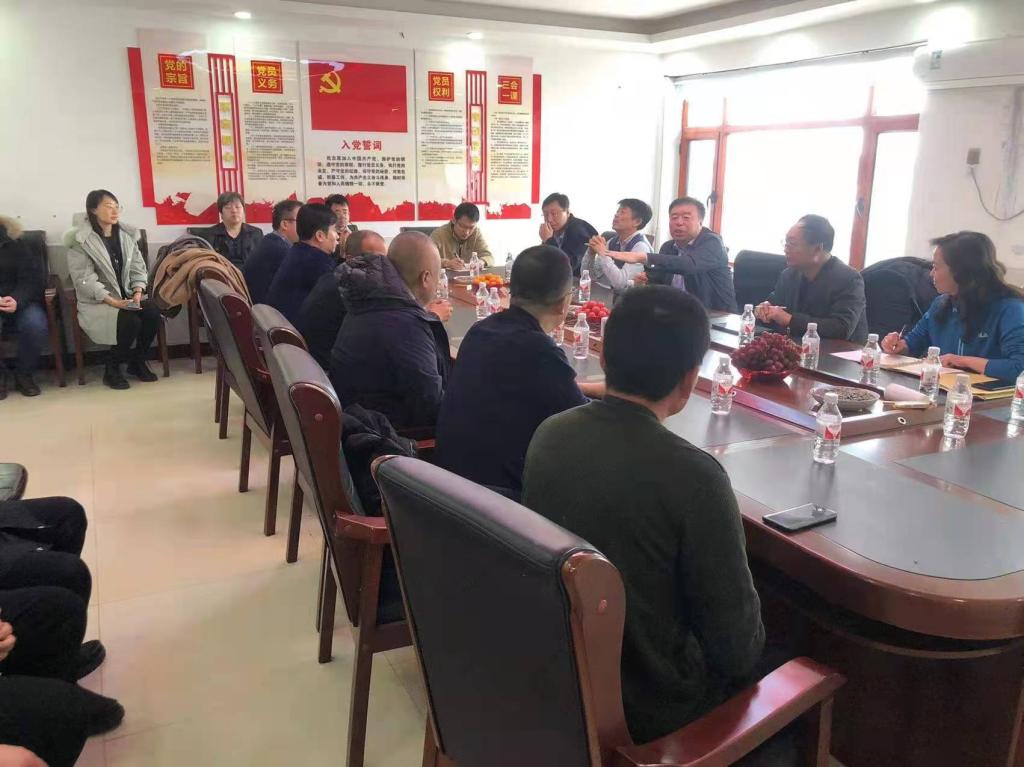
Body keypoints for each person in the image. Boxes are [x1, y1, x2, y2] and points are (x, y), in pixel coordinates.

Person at [522, 286, 765, 747]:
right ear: (690, 380)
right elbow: (737, 653)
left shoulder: (550, 433)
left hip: (559, 675)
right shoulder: (695, 477)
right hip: (652, 710)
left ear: (604, 358)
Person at [435, 245, 604, 498]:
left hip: (449, 489)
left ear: (509, 291)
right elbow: (585, 427)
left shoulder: (481, 331)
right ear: (564, 303)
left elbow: (534, 387)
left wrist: (591, 390)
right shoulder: (540, 351)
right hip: (501, 503)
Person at [330, 232, 452, 433]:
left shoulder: (367, 301)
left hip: (358, 420)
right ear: (426, 278)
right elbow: (432, 406)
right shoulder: (407, 326)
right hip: (391, 437)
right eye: (437, 278)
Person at [882, 231, 1024, 380]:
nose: (931, 274)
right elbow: (913, 344)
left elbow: (1019, 367)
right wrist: (898, 347)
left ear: (961, 272)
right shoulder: (941, 304)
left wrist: (961, 361)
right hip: (943, 389)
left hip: (989, 395)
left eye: (936, 267)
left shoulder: (1010, 308)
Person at [66, 189, 161, 390]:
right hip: (98, 301)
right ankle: (112, 368)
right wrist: (113, 301)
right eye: (109, 207)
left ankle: (137, 361)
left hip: (127, 296)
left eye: (117, 207)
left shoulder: (127, 235)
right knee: (130, 320)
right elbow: (83, 279)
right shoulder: (80, 240)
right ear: (93, 209)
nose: (115, 211)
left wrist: (137, 292)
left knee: (152, 311)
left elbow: (138, 267)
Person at [756, 215, 868, 343]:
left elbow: (841, 328)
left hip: (840, 353)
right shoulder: (789, 275)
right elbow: (774, 304)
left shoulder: (849, 279)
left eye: (792, 243)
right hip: (797, 348)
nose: (786, 249)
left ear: (817, 249)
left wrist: (790, 320)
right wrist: (764, 310)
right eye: (786, 242)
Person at [611, 197, 736, 312]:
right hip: (677, 314)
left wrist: (644, 257)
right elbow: (658, 282)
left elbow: (689, 264)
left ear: (700, 222)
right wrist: (643, 282)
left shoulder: (712, 242)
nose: (679, 222)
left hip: (716, 316)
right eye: (674, 217)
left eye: (686, 217)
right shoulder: (668, 247)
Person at [298, 230, 387, 369]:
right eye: (374, 259)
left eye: (385, 260)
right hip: (327, 371)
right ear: (350, 259)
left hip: (315, 363)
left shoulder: (333, 277)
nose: (383, 267)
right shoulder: (352, 289)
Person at [266, 204, 339, 324]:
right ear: (320, 236)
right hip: (297, 331)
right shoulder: (317, 263)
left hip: (282, 325)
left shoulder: (298, 252)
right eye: (334, 230)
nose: (337, 236)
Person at [0, 217, 45, 398]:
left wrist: (17, 299)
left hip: (20, 301)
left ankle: (24, 374)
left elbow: (33, 278)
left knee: (35, 324)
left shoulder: (18, 245)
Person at [582, 199, 652, 299]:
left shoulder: (641, 247)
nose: (616, 215)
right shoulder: (612, 241)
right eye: (617, 211)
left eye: (622, 212)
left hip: (630, 301)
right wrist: (590, 254)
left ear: (637, 221)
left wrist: (602, 253)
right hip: (608, 296)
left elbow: (621, 284)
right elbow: (590, 277)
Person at [243, 199, 301, 305]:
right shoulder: (281, 250)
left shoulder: (271, 241)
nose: (307, 226)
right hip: (270, 312)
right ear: (285, 224)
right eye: (302, 221)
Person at [199, 192, 263, 270]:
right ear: (221, 213)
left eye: (237, 207)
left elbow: (262, 261)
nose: (234, 211)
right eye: (228, 207)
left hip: (250, 274)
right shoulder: (209, 235)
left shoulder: (256, 233)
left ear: (243, 211)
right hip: (222, 275)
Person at [539, 193, 598, 276]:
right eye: (545, 214)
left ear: (567, 212)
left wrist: (548, 241)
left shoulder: (578, 231)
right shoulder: (557, 229)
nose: (549, 219)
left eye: (554, 214)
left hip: (579, 279)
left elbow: (568, 266)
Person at [430, 202, 493, 270]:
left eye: (471, 228)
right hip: (446, 276)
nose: (466, 232)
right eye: (463, 226)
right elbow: (427, 259)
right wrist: (447, 263)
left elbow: (489, 257)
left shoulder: (476, 233)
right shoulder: (439, 234)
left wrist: (482, 262)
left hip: (469, 275)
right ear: (454, 220)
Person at [325, 194, 357, 260]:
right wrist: (342, 250)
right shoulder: (325, 234)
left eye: (345, 212)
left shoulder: (353, 229)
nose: (342, 216)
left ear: (349, 214)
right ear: (328, 215)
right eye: (337, 213)